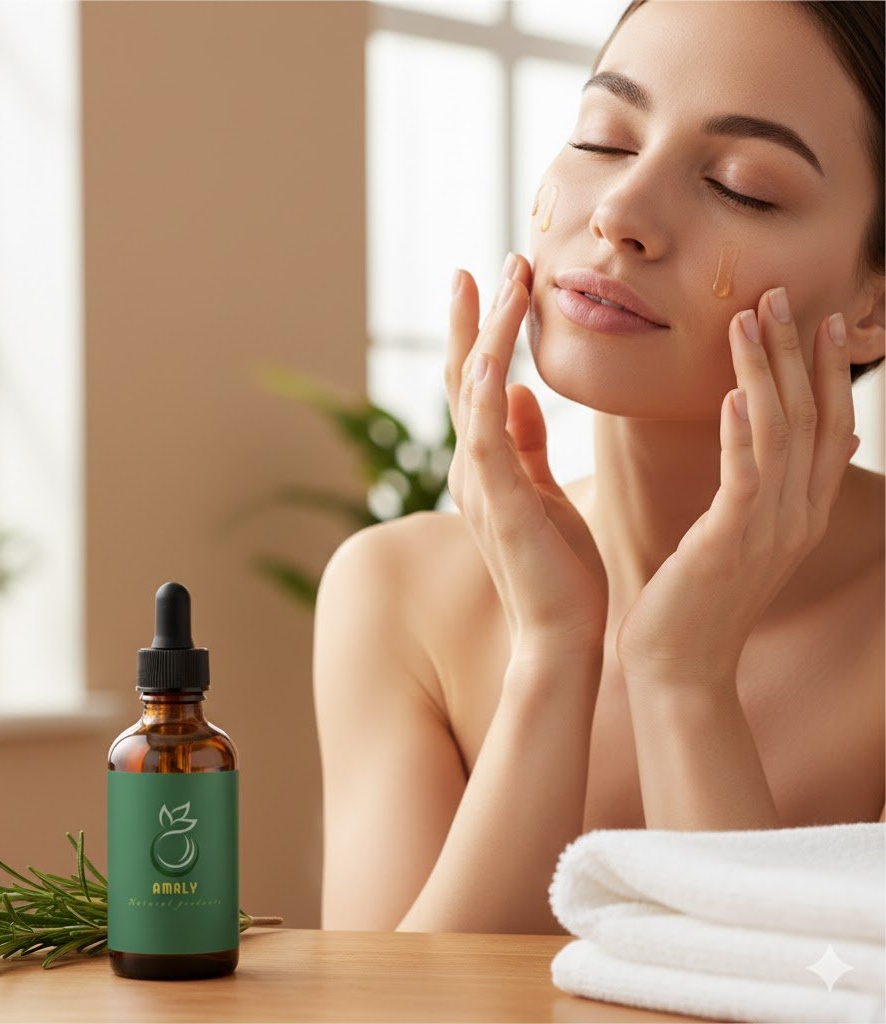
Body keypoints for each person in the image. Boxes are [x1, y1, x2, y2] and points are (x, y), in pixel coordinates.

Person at [314, 0, 885, 936]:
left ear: (873, 307)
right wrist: (552, 655)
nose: (619, 214)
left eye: (741, 187)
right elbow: (394, 1002)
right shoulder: (396, 594)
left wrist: (684, 676)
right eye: (604, 139)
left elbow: (793, 997)